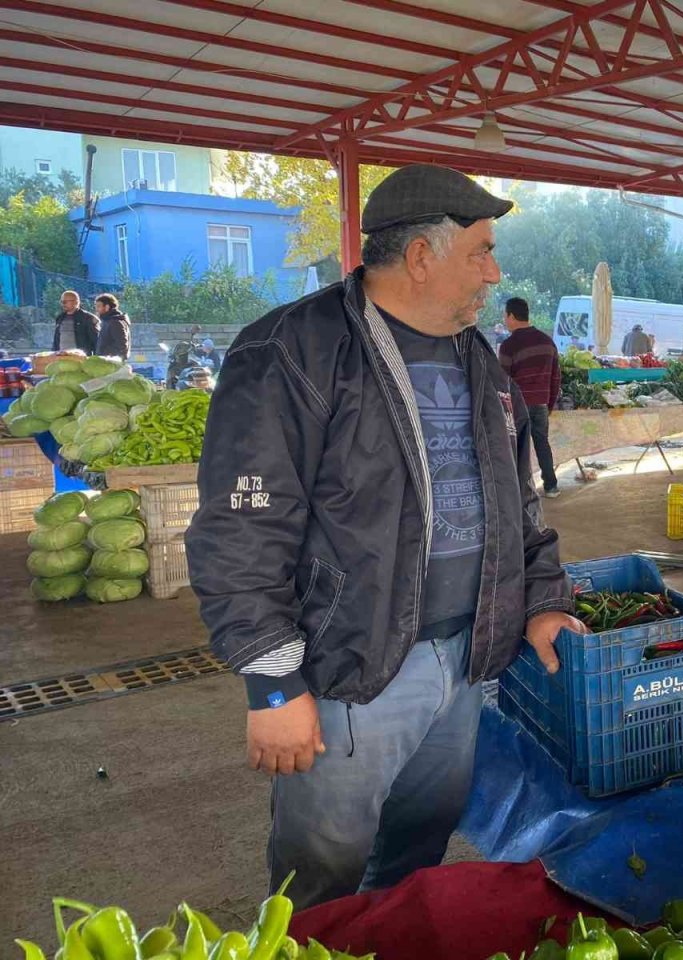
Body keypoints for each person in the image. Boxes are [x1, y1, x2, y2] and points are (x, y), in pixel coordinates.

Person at [186, 165, 583, 909]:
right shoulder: (291, 352)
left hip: (462, 664)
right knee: (324, 869)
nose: (495, 273)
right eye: (481, 253)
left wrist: (542, 599)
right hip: (350, 667)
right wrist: (273, 682)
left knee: (418, 852)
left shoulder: (483, 364)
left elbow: (517, 503)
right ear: (423, 257)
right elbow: (241, 529)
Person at [498, 297, 562, 498]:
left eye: (505, 316)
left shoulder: (509, 346)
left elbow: (502, 381)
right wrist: (548, 404)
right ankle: (551, 486)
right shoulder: (547, 342)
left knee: (517, 447)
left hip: (518, 406)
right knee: (542, 444)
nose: (505, 320)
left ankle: (520, 491)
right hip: (541, 404)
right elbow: (556, 378)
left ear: (511, 316)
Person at [93, 293, 131, 360]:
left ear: (107, 307)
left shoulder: (115, 322)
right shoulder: (107, 321)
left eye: (98, 306)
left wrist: (110, 359)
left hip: (111, 364)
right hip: (105, 362)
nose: (96, 309)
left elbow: (122, 346)